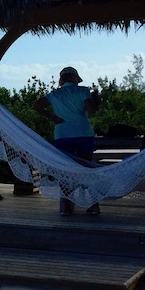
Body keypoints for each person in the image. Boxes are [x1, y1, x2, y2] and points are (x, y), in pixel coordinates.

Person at [45, 66, 103, 215]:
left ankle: (66, 206)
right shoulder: (83, 91)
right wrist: (96, 101)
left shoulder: (55, 94)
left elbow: (36, 106)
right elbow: (91, 111)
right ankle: (93, 205)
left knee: (64, 170)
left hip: (63, 134)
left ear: (62, 80)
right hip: (83, 133)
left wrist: (52, 117)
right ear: (75, 78)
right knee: (87, 169)